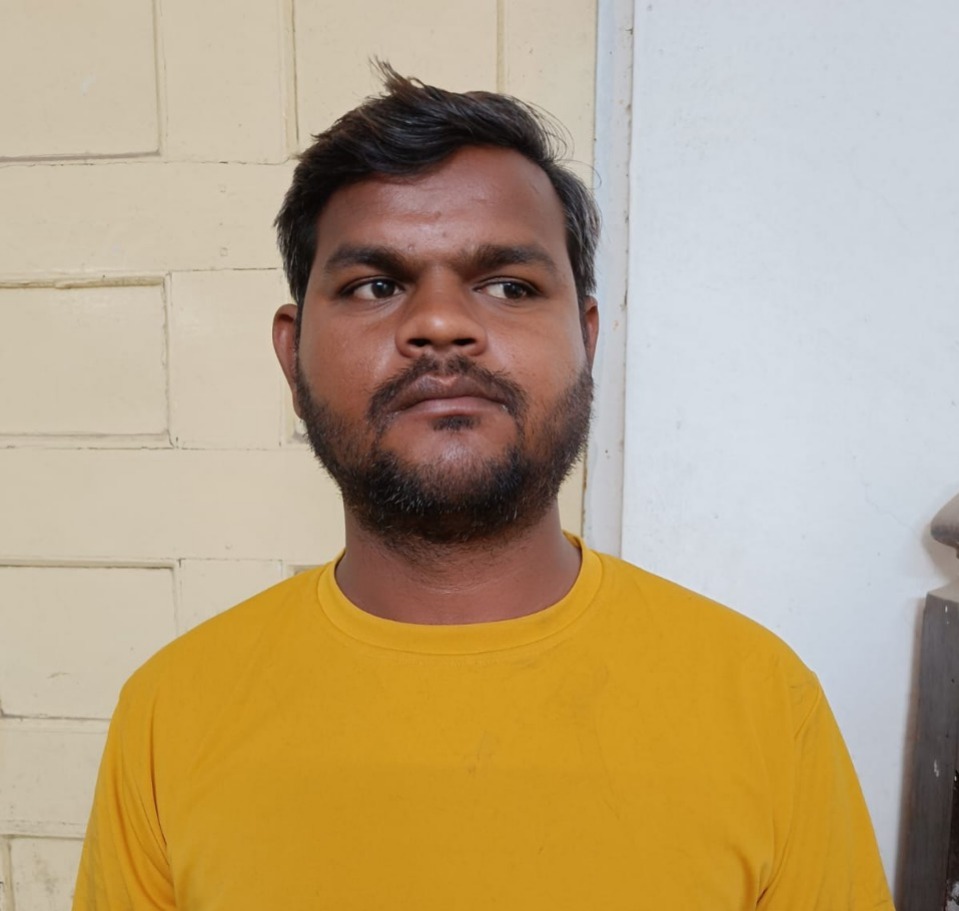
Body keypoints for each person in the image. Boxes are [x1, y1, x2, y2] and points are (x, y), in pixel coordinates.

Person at [73, 65, 894, 910]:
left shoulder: (762, 702)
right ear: (292, 354)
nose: (440, 323)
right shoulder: (169, 715)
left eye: (508, 286)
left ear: (586, 340)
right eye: (375, 285)